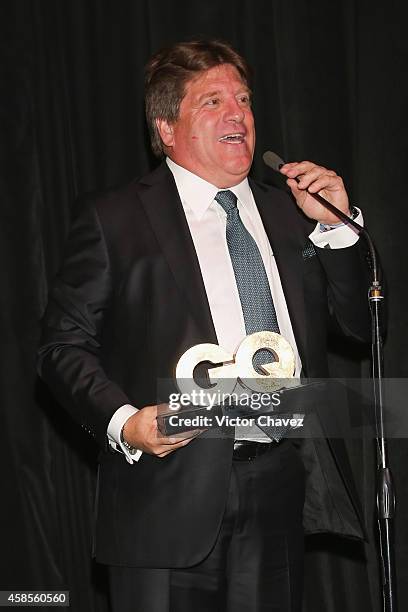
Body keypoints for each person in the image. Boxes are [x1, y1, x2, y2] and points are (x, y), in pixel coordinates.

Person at [38, 40, 370, 612]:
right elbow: (61, 346)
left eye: (243, 100)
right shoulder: (115, 217)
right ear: (168, 128)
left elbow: (363, 328)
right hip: (163, 494)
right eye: (213, 101)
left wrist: (339, 229)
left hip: (277, 485)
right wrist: (124, 423)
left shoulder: (293, 214)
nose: (238, 113)